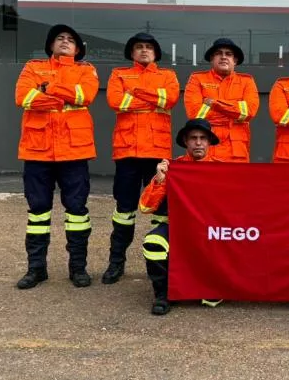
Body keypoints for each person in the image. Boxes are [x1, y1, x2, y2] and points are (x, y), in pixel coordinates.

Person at [13, 24, 99, 290]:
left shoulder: (86, 70)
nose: (64, 41)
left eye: (70, 39)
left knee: (77, 211)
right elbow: (23, 97)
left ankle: (78, 268)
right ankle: (36, 269)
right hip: (38, 151)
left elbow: (85, 96)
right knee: (38, 212)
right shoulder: (32, 67)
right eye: (59, 38)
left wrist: (48, 88)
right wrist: (63, 97)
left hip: (74, 152)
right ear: (50, 45)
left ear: (78, 48)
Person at [103, 32, 180, 285]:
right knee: (124, 210)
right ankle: (116, 263)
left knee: (162, 210)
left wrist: (134, 92)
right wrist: (153, 98)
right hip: (127, 152)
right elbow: (116, 101)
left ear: (156, 53)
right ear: (131, 53)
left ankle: (161, 264)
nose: (144, 50)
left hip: (158, 154)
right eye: (139, 47)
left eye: (148, 47)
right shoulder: (119, 74)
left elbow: (169, 99)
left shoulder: (168, 76)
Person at [138, 118, 220, 315]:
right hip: (178, 228)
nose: (198, 143)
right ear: (185, 141)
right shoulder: (171, 168)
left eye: (203, 138)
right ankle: (163, 295)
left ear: (209, 142)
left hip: (211, 231)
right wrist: (160, 180)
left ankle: (212, 285)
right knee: (153, 243)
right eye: (193, 138)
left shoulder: (221, 169)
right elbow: (145, 207)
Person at [182, 37, 259, 162]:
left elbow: (248, 112)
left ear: (235, 60)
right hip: (207, 149)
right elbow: (195, 115)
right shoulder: (197, 79)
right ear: (212, 59)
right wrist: (234, 111)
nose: (223, 57)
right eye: (219, 53)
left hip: (236, 151)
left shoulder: (247, 81)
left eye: (228, 54)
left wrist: (214, 104)